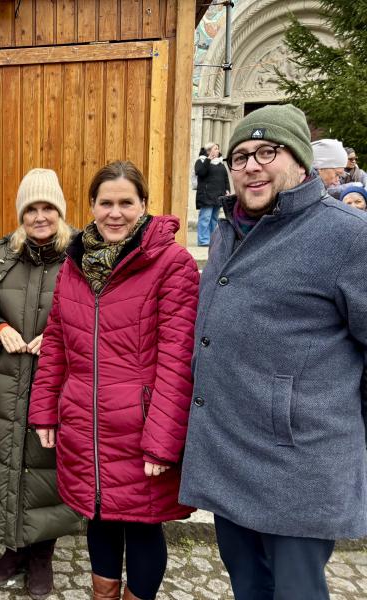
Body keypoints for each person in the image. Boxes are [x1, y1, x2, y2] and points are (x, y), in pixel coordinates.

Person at [179, 104, 367, 599]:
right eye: (240, 156)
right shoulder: (231, 230)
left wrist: (334, 421)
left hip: (298, 465)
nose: (252, 166)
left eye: (269, 151)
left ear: (300, 162)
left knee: (296, 591)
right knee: (248, 586)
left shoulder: (347, 237)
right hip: (229, 452)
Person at [29, 161, 199, 600]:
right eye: (106, 203)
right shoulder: (77, 264)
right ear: (92, 206)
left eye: (126, 202)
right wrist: (45, 411)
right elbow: (57, 344)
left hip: (141, 425)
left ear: (143, 206)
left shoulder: (171, 263)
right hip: (85, 420)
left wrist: (162, 440)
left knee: (143, 524)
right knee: (99, 516)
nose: (115, 213)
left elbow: (179, 360)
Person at [0, 169, 82, 600]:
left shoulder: (81, 258)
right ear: (21, 214)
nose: (40, 217)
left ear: (60, 212)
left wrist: (61, 336)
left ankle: (42, 555)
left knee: (48, 468)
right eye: (31, 209)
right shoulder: (3, 256)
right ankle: (14, 548)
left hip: (57, 381)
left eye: (48, 209)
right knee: (8, 462)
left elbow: (97, 318)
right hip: (7, 379)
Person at [194, 142, 229, 246]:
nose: (217, 150)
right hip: (206, 195)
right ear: (209, 150)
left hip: (218, 195)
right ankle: (203, 240)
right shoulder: (201, 161)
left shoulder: (220, 163)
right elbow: (200, 172)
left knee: (214, 219)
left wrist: (227, 189)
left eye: (218, 148)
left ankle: (212, 240)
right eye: (215, 148)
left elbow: (225, 178)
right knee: (205, 218)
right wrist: (208, 159)